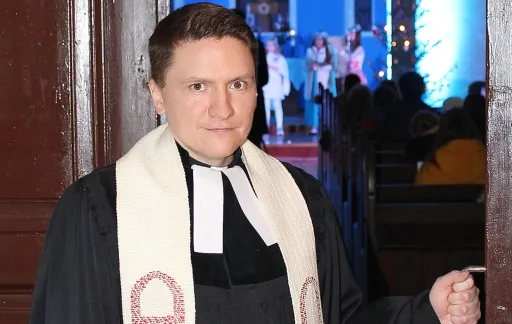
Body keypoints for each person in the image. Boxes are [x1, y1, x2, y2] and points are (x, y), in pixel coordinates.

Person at [29, 3, 481, 324]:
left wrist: (426, 310)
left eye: (238, 84)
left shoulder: (302, 197)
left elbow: (342, 315)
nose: (222, 108)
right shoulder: (98, 210)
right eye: (197, 86)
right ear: (157, 95)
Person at [232, 8, 269, 146]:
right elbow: (264, 78)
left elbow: (264, 77)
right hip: (254, 100)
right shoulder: (257, 45)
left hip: (242, 104)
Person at [305, 31, 337, 135]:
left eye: (321, 39)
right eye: (317, 39)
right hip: (315, 82)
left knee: (325, 104)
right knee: (315, 104)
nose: (319, 41)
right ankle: (315, 126)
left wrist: (321, 67)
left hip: (325, 81)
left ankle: (326, 125)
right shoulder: (310, 51)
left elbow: (331, 66)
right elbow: (307, 65)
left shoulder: (328, 51)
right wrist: (312, 66)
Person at [262, 37, 290, 136]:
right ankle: (265, 127)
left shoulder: (280, 58)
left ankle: (279, 127)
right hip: (267, 85)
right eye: (268, 45)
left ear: (275, 46)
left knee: (278, 106)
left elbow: (284, 71)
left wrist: (274, 67)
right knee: (266, 107)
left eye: (272, 45)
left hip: (276, 85)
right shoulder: (264, 57)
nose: (269, 47)